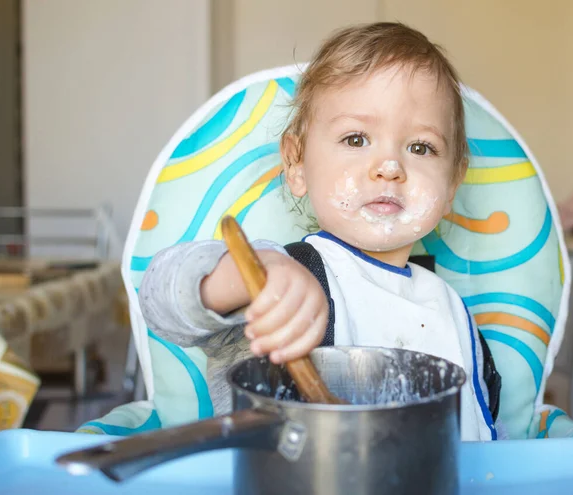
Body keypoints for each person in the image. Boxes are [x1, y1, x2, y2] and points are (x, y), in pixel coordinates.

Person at [139, 22, 503, 441]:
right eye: (356, 138)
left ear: (453, 183)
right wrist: (250, 276)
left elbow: (487, 437)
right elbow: (159, 296)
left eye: (420, 147)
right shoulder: (286, 278)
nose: (389, 166)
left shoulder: (450, 312)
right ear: (296, 163)